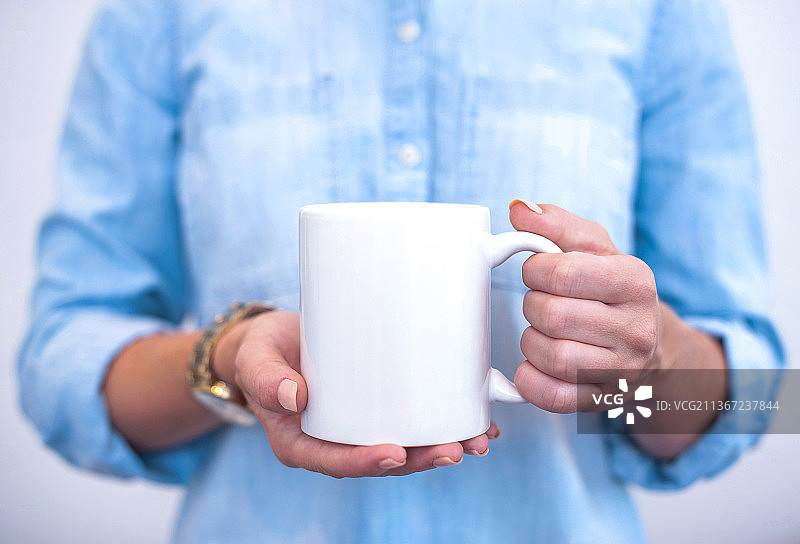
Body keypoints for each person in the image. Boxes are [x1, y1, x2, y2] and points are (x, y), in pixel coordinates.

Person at [18, 0, 784, 542]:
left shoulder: (661, 10)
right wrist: (222, 356)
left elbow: (757, 402)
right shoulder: (159, 12)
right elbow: (58, 363)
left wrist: (655, 361)